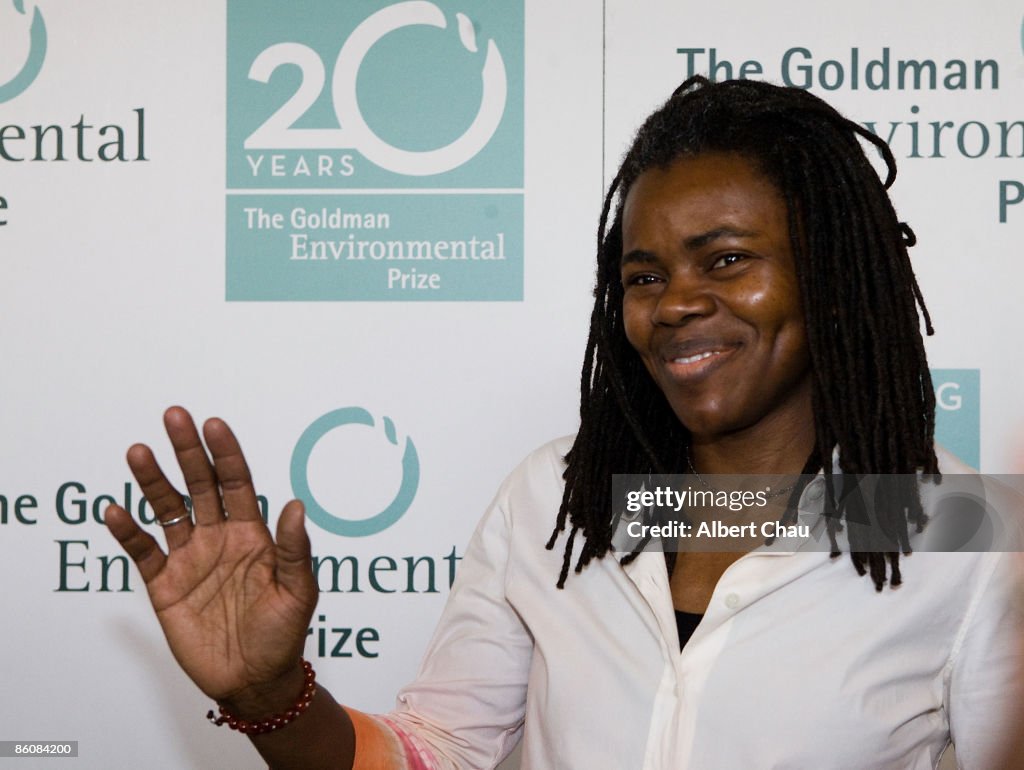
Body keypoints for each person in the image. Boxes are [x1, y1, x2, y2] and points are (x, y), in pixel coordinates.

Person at [104, 77, 1023, 769]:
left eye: (728, 259)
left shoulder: (964, 530)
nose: (675, 305)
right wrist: (272, 695)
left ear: (832, 272)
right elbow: (438, 754)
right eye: (646, 276)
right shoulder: (564, 498)